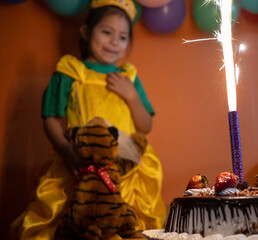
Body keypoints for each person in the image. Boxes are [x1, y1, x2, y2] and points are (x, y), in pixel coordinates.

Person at [11, 0, 166, 239]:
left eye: (123, 37)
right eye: (106, 32)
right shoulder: (70, 72)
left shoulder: (129, 78)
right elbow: (51, 118)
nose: (115, 41)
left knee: (129, 227)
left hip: (126, 169)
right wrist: (67, 153)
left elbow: (146, 126)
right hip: (80, 162)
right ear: (86, 31)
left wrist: (132, 96)